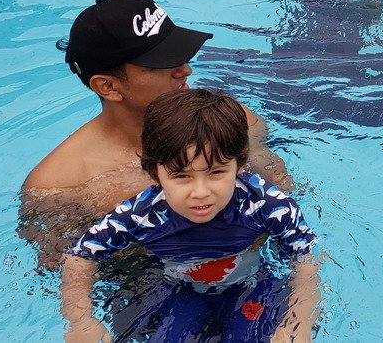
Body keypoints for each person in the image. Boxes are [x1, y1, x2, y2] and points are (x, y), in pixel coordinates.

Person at [20, 0, 288, 269]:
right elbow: (63, 268)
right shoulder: (58, 184)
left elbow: (282, 191)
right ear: (108, 86)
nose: (185, 70)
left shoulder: (231, 119)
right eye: (161, 63)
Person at [60, 89, 319, 342]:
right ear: (154, 173)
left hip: (251, 283)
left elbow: (305, 257)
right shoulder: (142, 215)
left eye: (216, 172)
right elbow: (80, 256)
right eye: (182, 176)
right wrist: (81, 322)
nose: (200, 192)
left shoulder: (267, 205)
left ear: (239, 165)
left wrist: (300, 317)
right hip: (181, 290)